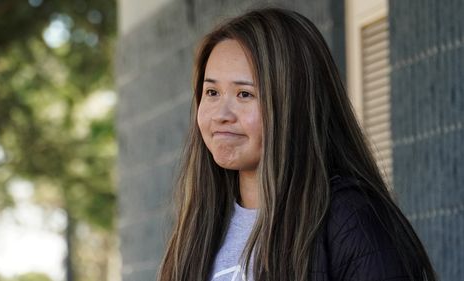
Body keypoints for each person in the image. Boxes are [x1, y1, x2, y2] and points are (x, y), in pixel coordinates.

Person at [157, 7, 438, 281]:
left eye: (244, 94)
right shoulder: (199, 227)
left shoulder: (350, 220)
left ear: (295, 103)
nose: (221, 115)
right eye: (212, 92)